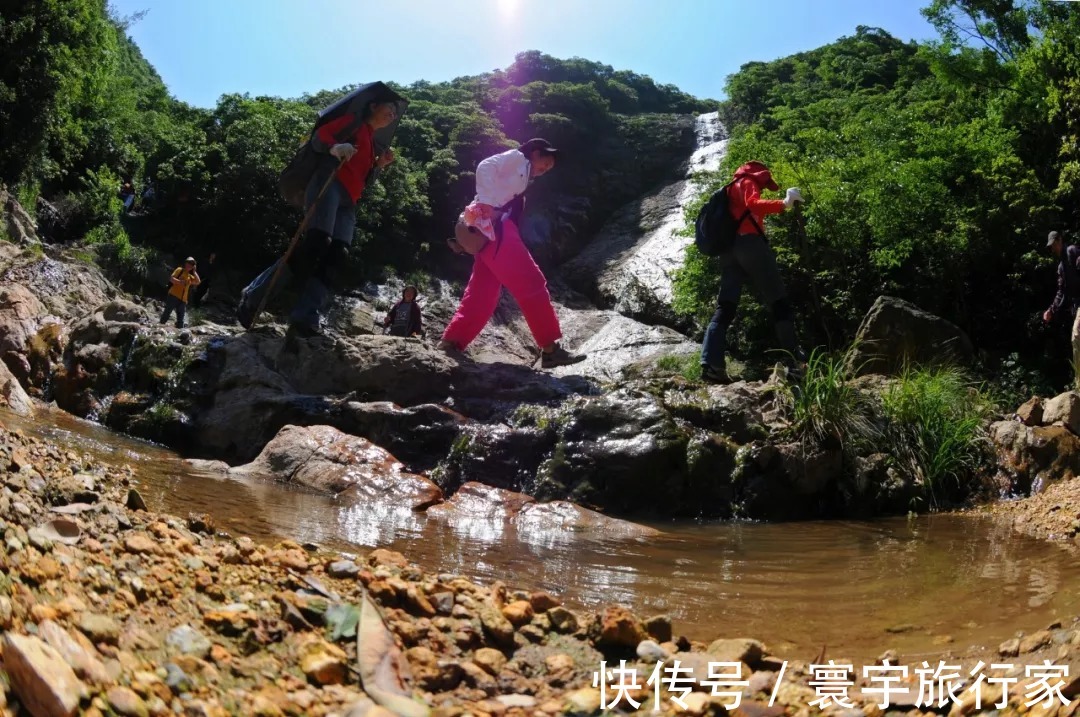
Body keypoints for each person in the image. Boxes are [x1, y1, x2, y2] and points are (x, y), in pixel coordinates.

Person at [235, 97, 398, 337]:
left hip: (349, 201)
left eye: (395, 113)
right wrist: (335, 147)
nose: (392, 115)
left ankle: (306, 316)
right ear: (373, 104)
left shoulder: (374, 145)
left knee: (337, 254)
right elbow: (320, 136)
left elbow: (365, 180)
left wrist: (379, 166)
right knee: (316, 243)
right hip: (328, 183)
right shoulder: (353, 122)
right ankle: (253, 296)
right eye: (390, 108)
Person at [439, 138, 585, 369]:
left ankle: (451, 343)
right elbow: (485, 165)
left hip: (489, 231)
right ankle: (550, 349)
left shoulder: (523, 174)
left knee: (482, 292)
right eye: (546, 161)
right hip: (497, 231)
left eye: (550, 167)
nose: (546, 168)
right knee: (532, 282)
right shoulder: (518, 158)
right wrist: (486, 200)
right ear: (535, 153)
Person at [699, 160, 806, 384]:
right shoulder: (748, 181)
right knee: (779, 300)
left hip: (729, 252)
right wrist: (784, 203)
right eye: (767, 183)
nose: (766, 187)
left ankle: (711, 364)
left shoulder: (729, 188)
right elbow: (754, 204)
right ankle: (795, 365)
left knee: (726, 306)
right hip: (750, 245)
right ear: (762, 175)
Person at [1042, 230, 1080, 378]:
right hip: (1077, 306)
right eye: (1050, 247)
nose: (1053, 249)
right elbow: (1061, 293)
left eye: (1054, 244)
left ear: (1060, 240)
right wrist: (1051, 310)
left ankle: (1078, 383)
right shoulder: (1061, 267)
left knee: (1076, 336)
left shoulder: (1073, 251)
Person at [161, 257, 200, 329]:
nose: (190, 265)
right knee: (166, 314)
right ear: (185, 263)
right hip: (173, 295)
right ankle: (158, 329)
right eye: (189, 263)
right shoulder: (180, 270)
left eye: (192, 264)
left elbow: (198, 282)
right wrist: (180, 282)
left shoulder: (190, 276)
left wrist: (194, 272)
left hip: (183, 300)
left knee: (181, 320)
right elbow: (171, 278)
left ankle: (179, 335)